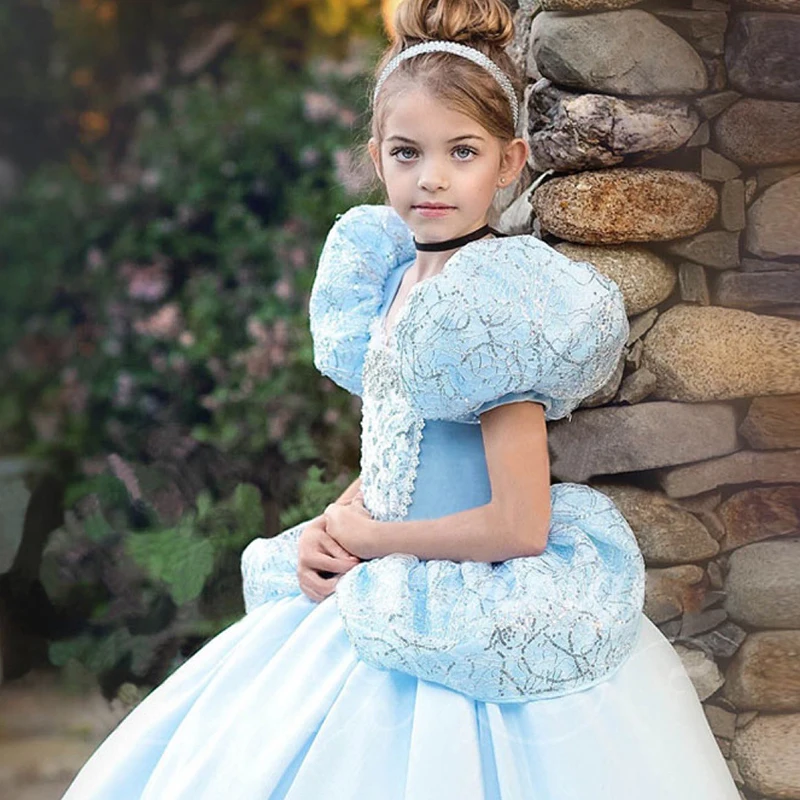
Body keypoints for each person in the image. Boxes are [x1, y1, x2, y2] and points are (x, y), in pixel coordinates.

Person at [62, 1, 741, 797]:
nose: (433, 177)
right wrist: (334, 526)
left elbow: (519, 525)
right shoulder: (383, 282)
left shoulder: (495, 305)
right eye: (407, 152)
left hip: (460, 599)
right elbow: (399, 451)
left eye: (463, 151)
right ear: (377, 159)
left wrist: (377, 541)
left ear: (510, 162)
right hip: (378, 574)